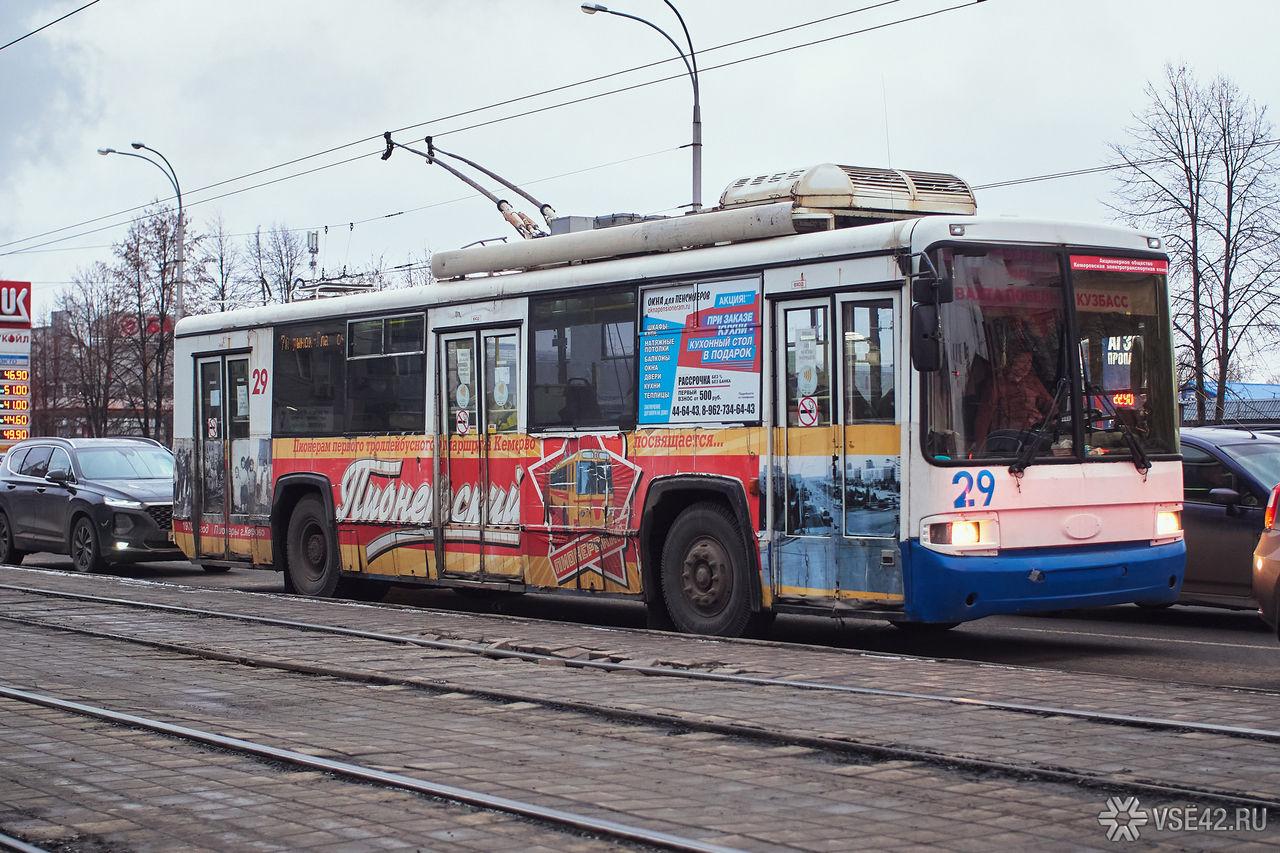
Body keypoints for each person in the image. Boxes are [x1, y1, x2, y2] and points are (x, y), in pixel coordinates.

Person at [972, 345, 1056, 453]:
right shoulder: (997, 384)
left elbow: (1051, 406)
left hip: (1031, 438)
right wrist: (981, 448)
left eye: (1029, 362)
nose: (1026, 366)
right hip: (1005, 440)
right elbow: (984, 417)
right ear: (1012, 360)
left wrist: (1051, 418)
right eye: (1022, 361)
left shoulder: (1033, 382)